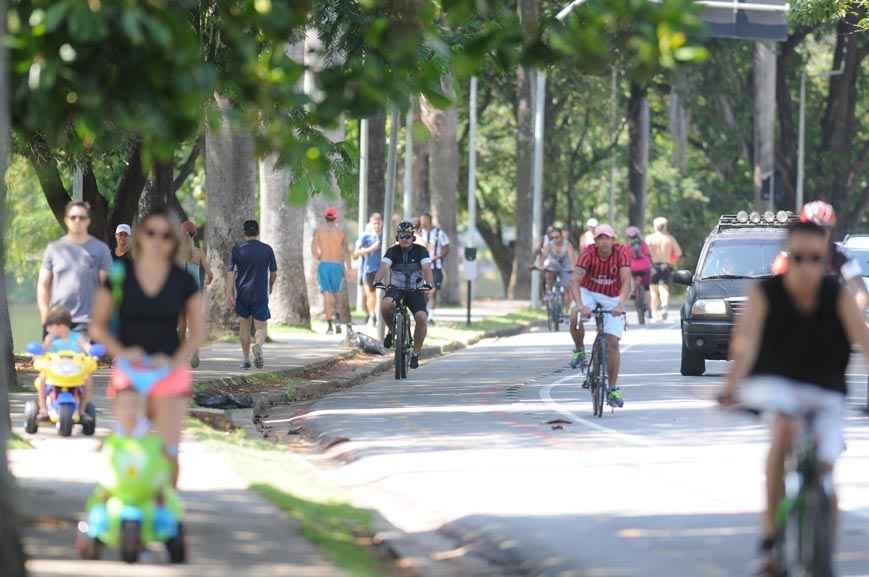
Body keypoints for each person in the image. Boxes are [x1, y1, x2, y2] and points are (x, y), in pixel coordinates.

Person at [718, 221, 869, 576]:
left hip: (826, 388)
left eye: (815, 259)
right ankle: (770, 542)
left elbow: (864, 342)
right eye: (798, 258)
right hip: (777, 383)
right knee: (783, 434)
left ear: (825, 260)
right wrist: (730, 388)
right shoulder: (764, 293)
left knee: (827, 469)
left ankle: (824, 554)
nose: (807, 267)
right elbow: (744, 345)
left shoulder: (838, 295)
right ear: (787, 258)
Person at [90, 209, 206, 487]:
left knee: (169, 449)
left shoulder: (183, 280)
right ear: (140, 237)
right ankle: (118, 495)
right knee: (127, 443)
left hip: (169, 369)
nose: (157, 240)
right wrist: (122, 353)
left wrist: (176, 361)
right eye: (151, 233)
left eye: (165, 235)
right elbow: (98, 327)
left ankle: (166, 501)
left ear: (174, 241)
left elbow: (199, 331)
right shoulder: (120, 275)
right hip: (131, 369)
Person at [569, 224, 631, 407]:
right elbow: (575, 281)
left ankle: (612, 388)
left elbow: (626, 281)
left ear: (613, 240)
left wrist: (620, 304)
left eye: (607, 238)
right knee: (574, 316)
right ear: (595, 241)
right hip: (589, 291)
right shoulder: (588, 253)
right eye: (600, 238)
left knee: (613, 343)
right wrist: (580, 306)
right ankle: (579, 350)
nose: (604, 242)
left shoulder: (621, 253)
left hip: (612, 296)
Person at [772, 201, 868, 311]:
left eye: (826, 228)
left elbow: (861, 292)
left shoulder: (840, 256)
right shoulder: (787, 258)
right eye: (813, 228)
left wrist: (851, 315)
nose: (821, 233)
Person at [37, 200, 112, 335]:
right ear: (66, 220)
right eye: (73, 217)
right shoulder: (53, 249)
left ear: (88, 221)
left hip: (88, 324)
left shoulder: (101, 250)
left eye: (82, 217)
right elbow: (43, 285)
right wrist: (45, 317)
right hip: (57, 322)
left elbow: (107, 289)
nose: (77, 221)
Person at [373, 221, 434, 369]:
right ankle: (392, 329)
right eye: (401, 236)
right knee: (385, 305)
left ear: (413, 237)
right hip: (396, 289)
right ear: (397, 237)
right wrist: (377, 280)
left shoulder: (421, 251)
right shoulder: (392, 251)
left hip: (415, 290)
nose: (404, 239)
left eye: (408, 236)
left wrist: (428, 283)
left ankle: (416, 353)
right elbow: (384, 266)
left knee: (422, 318)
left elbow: (426, 267)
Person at [226, 220, 277, 370]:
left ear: (244, 232)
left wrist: (229, 293)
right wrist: (270, 285)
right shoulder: (267, 249)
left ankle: (245, 359)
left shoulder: (237, 250)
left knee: (244, 327)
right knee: (261, 327)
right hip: (260, 293)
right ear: (258, 231)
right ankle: (258, 346)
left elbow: (230, 273)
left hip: (242, 293)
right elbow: (274, 273)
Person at [35, 306, 94, 420]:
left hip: (75, 370)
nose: (47, 329)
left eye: (50, 326)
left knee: (88, 379)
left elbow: (86, 347)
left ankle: (82, 410)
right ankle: (43, 408)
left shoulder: (76, 337)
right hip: (54, 370)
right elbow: (42, 350)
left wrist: (93, 351)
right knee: (42, 377)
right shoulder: (50, 338)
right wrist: (38, 353)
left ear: (61, 326)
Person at [312, 207, 353, 334]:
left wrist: (318, 256)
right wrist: (349, 269)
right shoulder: (340, 232)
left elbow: (313, 247)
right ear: (335, 218)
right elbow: (347, 251)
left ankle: (330, 326)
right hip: (336, 265)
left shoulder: (319, 230)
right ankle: (338, 321)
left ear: (325, 217)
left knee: (327, 295)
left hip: (324, 265)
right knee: (338, 295)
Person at [178, 221, 212, 368]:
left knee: (181, 325)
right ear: (194, 235)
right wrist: (207, 281)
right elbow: (210, 274)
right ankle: (195, 351)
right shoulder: (198, 252)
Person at [645, 217, 682, 321]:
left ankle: (654, 312)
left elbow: (644, 253)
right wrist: (671, 260)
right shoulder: (669, 238)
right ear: (665, 226)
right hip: (666, 265)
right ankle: (664, 307)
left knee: (653, 290)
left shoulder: (649, 238)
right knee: (664, 288)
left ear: (654, 226)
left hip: (652, 266)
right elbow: (678, 252)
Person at [417, 213, 450, 324]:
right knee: (423, 292)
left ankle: (430, 317)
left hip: (435, 267)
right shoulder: (419, 234)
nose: (422, 222)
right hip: (421, 268)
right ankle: (425, 313)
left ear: (429, 220)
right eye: (421, 220)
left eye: (424, 220)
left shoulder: (439, 233)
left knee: (433, 291)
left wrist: (439, 257)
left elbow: (446, 248)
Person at [353, 213, 383, 327]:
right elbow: (355, 254)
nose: (377, 226)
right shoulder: (365, 237)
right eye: (374, 223)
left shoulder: (385, 236)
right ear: (371, 224)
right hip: (368, 269)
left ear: (382, 224)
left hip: (382, 270)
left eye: (378, 223)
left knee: (381, 295)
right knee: (371, 295)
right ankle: (372, 316)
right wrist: (371, 248)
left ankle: (380, 317)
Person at [537, 227, 576, 302]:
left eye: (557, 237)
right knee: (549, 269)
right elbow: (544, 256)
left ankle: (566, 303)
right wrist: (541, 265)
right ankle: (549, 291)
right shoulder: (549, 245)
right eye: (552, 237)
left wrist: (573, 268)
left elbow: (572, 257)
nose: (555, 239)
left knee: (568, 285)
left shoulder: (567, 244)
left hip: (566, 266)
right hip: (554, 264)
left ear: (562, 236)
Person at [625, 226, 652, 315]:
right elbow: (648, 254)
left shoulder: (627, 246)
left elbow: (626, 258)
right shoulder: (643, 244)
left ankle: (633, 291)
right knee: (647, 288)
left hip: (633, 268)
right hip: (645, 267)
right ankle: (648, 307)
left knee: (631, 276)